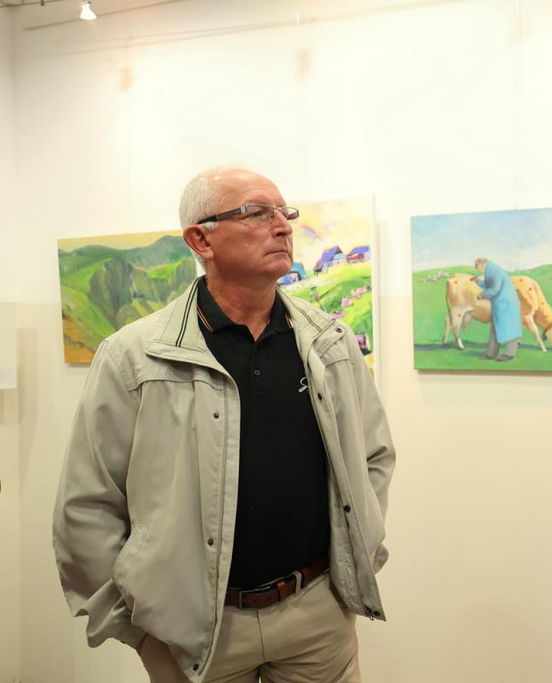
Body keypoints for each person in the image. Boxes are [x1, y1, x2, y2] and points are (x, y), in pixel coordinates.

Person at [53, 167, 396, 683]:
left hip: (317, 614)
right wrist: (136, 625)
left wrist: (357, 557)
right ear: (201, 240)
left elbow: (372, 456)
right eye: (257, 213)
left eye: (284, 212)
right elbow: (87, 502)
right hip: (193, 632)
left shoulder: (330, 342)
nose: (282, 225)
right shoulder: (134, 357)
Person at [472, 257, 522, 361]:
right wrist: (478, 282)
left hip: (507, 303)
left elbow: (495, 288)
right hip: (501, 303)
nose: (477, 269)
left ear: (482, 264)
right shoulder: (490, 270)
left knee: (510, 327)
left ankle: (509, 354)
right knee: (496, 327)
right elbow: (490, 284)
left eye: (477, 267)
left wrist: (482, 295)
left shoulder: (494, 272)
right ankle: (491, 353)